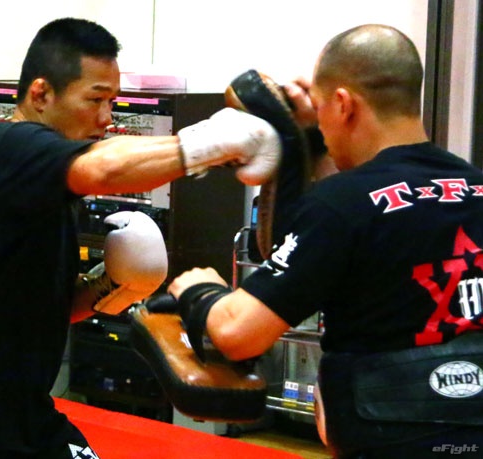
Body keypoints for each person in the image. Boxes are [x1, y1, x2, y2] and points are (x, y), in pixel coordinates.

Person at [0, 17, 281, 459]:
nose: (106, 117)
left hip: (19, 414)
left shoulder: (47, 186)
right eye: (95, 99)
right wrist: (218, 142)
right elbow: (103, 167)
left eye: (112, 101)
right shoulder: (9, 146)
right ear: (41, 94)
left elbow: (56, 307)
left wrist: (117, 286)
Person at [168, 24, 483, 458]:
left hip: (388, 438)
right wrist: (308, 144)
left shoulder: (341, 205)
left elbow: (239, 333)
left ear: (343, 104)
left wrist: (199, 290)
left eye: (321, 110)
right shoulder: (475, 186)